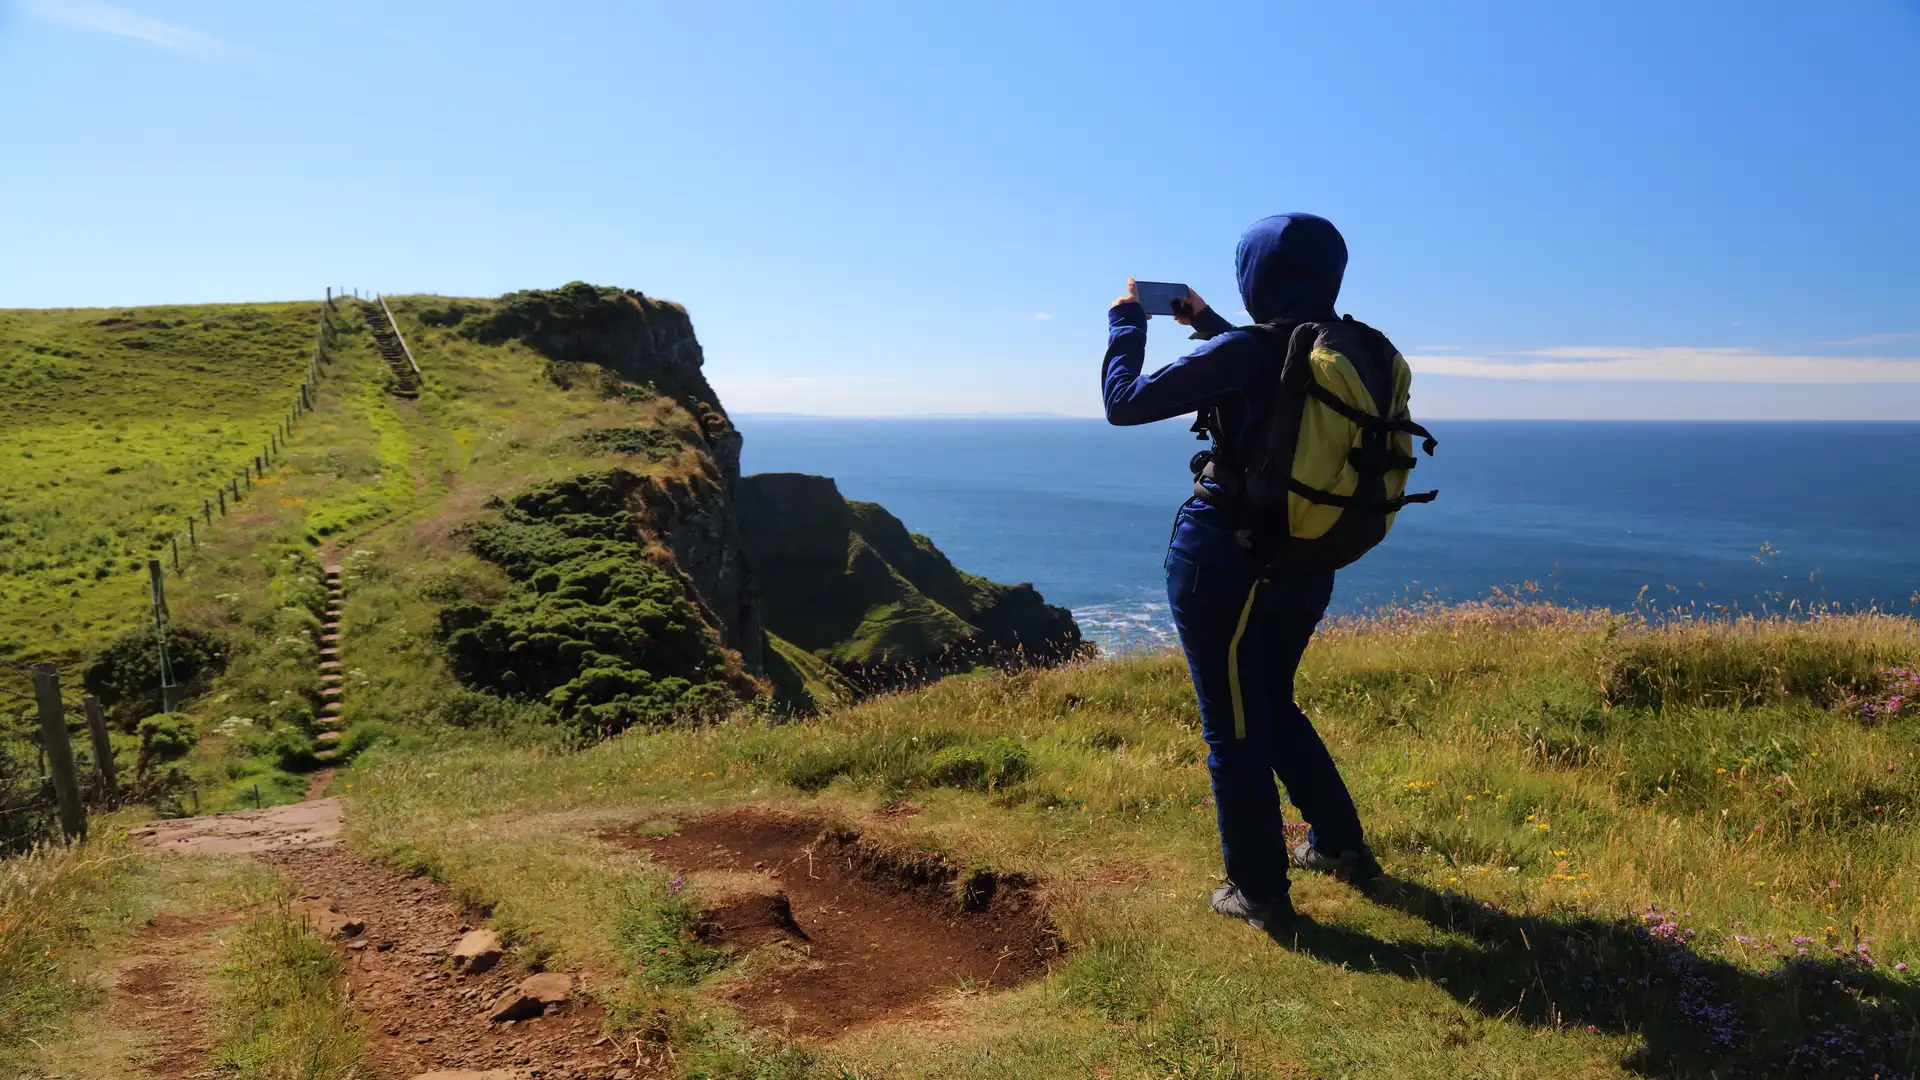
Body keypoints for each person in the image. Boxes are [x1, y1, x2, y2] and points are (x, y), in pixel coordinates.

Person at [1102, 213, 1384, 930]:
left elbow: (1124, 405)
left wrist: (1126, 323)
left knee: (1233, 726)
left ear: (1256, 275)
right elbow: (1271, 377)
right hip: (1309, 558)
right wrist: (1206, 322)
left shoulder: (1252, 351)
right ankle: (1341, 846)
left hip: (1228, 562)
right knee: (1271, 703)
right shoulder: (1346, 349)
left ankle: (1257, 890)